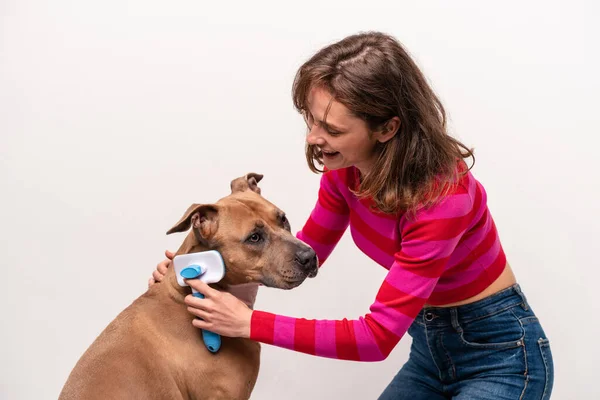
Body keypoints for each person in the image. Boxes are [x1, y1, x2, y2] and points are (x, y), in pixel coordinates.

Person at [149, 32, 554, 399]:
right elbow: (303, 257)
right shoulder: (344, 172)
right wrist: (197, 273)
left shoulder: (442, 199)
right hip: (431, 351)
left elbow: (375, 338)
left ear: (387, 128)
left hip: (501, 355)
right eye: (310, 119)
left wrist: (250, 323)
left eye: (332, 129)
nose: (312, 138)